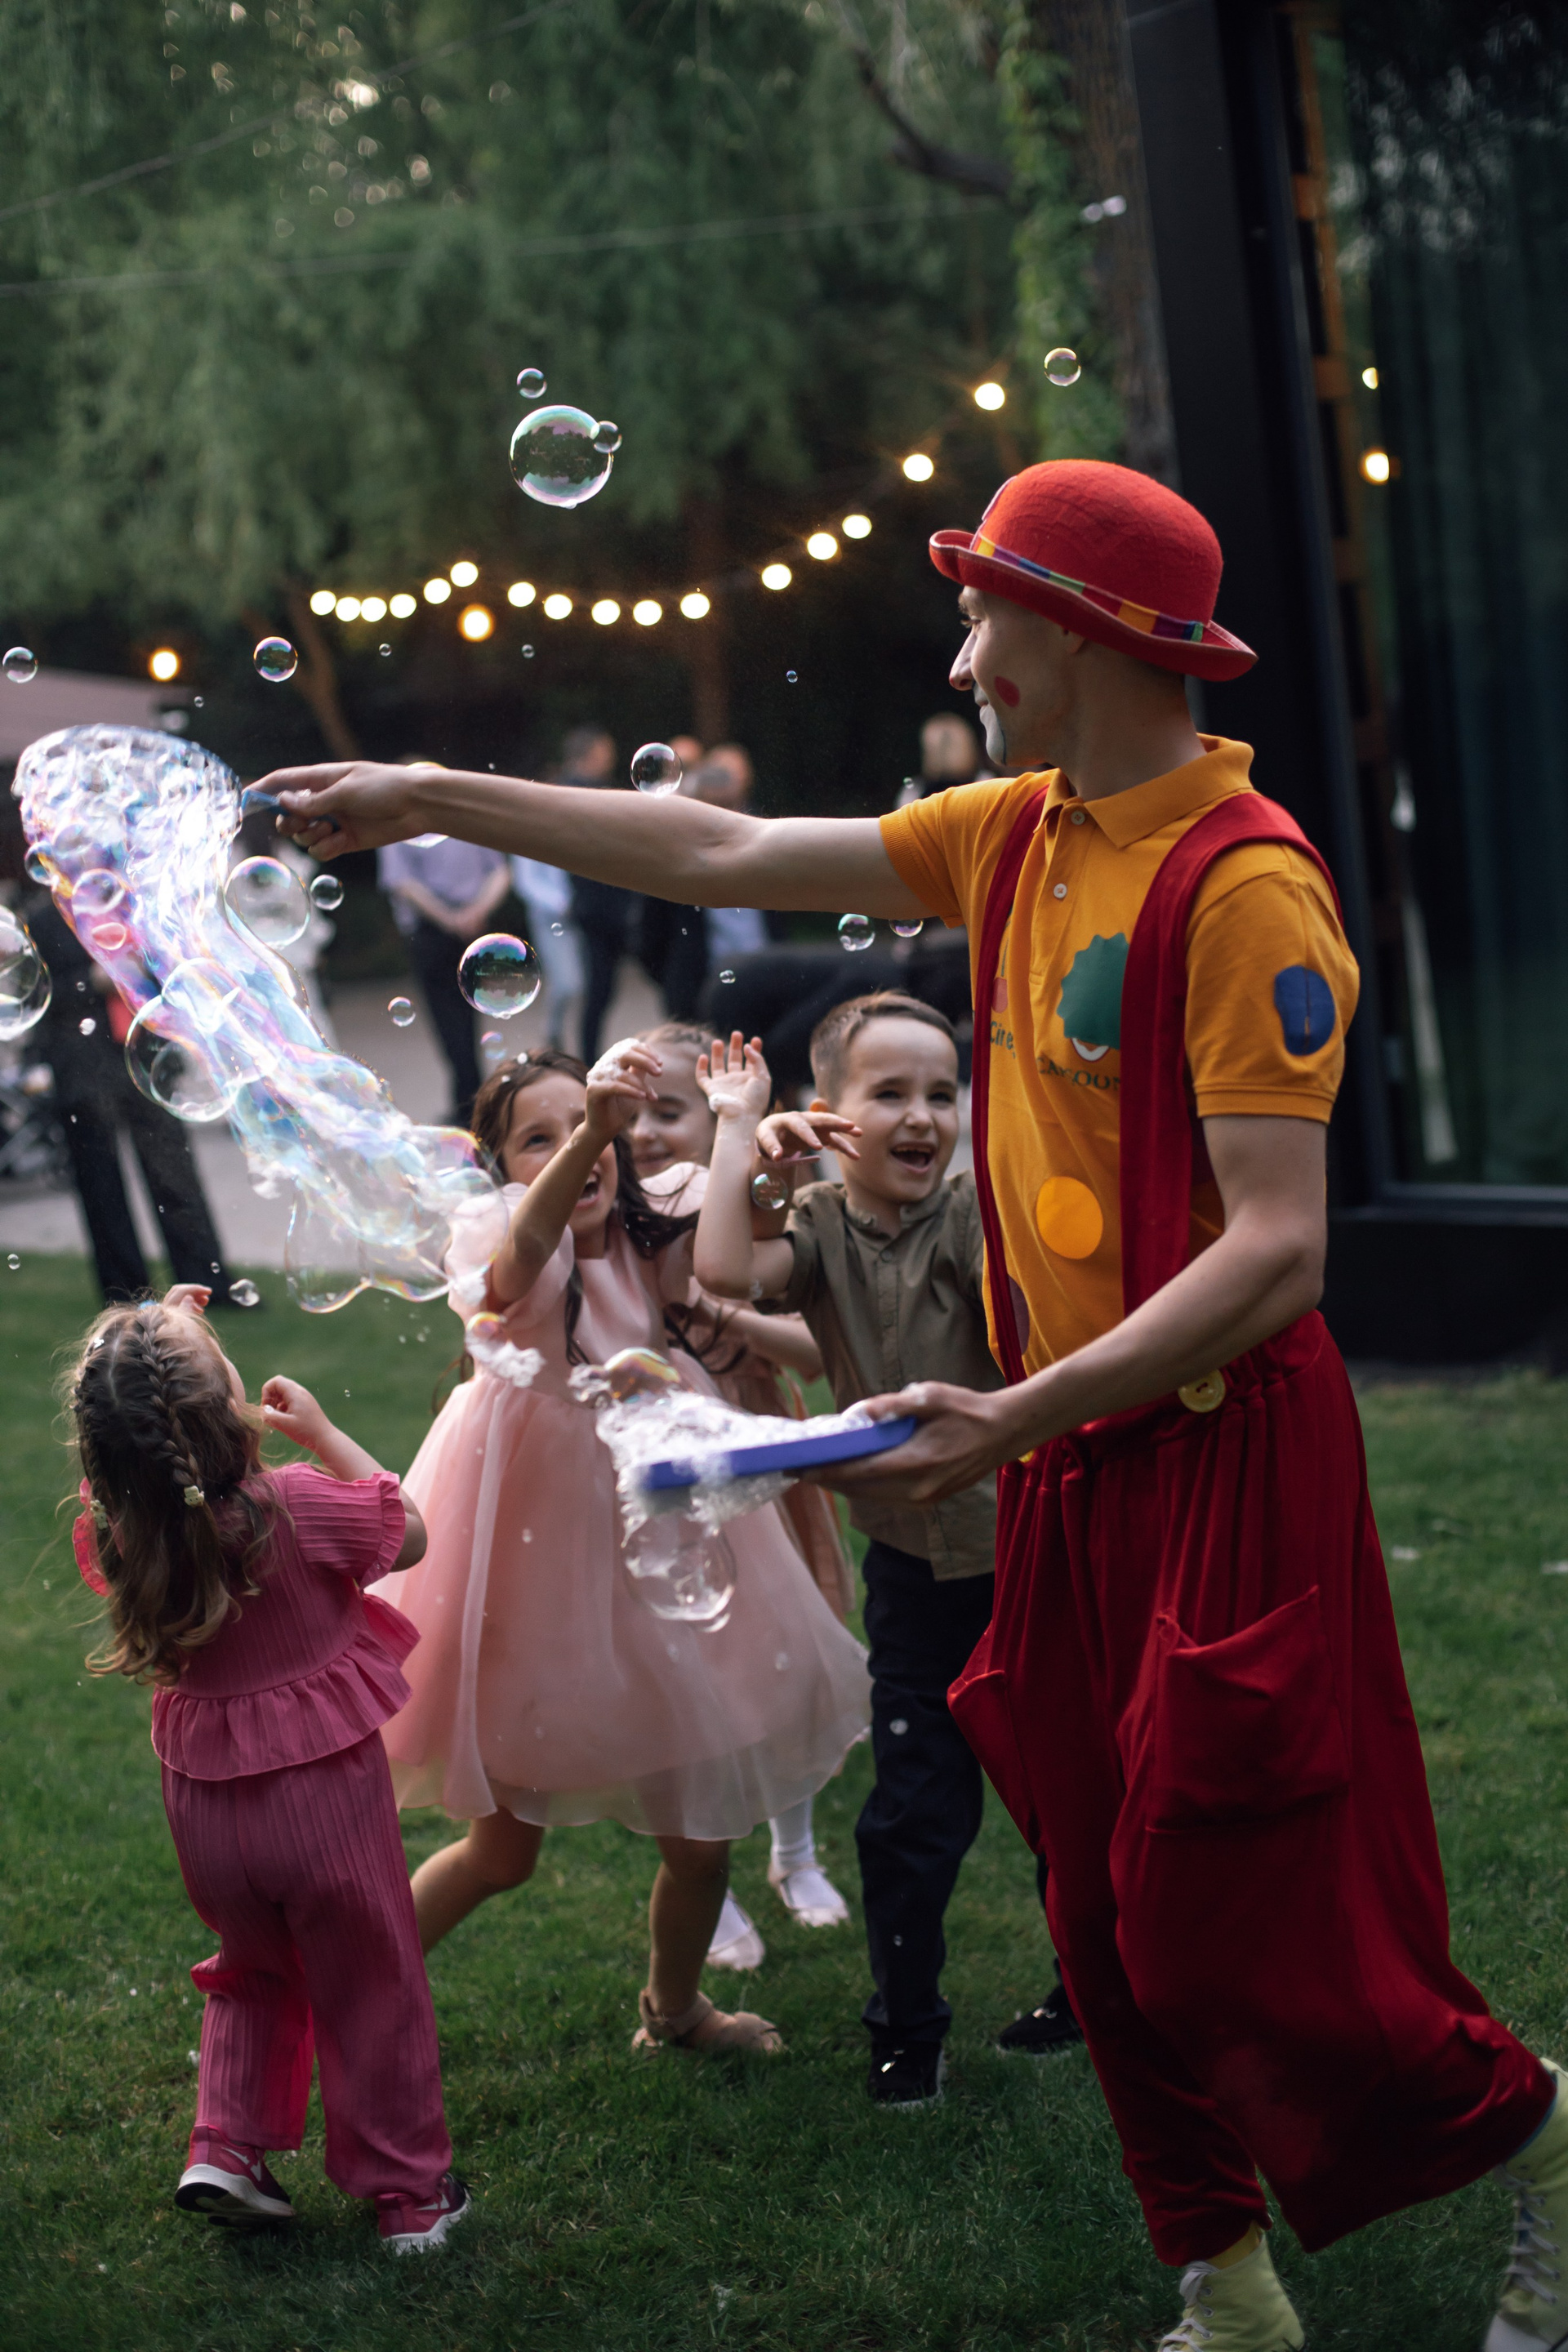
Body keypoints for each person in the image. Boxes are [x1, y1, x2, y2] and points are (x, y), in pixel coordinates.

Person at [262, 456, 1568, 2350]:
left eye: (984, 621)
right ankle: (1222, 2286)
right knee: (1096, 1897)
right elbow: (720, 851)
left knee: (1224, 1896)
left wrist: (1021, 1417)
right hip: (1074, 1452)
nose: (961, 658)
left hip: (1225, 1454)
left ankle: (1532, 2132)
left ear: (1087, 638)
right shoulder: (1015, 833)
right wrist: (426, 792)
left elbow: (1282, 1251)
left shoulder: (1246, 890)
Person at [369, 1045, 871, 2056]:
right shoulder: (505, 1234)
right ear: (505, 1168)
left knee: (703, 1836)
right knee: (501, 1854)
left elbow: (745, 1234)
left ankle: (675, 2012)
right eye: (539, 1137)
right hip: (531, 1553)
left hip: (666, 1531)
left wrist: (755, 1145)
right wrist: (591, 1133)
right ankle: (351, 1991)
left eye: (592, 1122)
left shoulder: (657, 1216)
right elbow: (520, 1260)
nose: (579, 1145)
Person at [692, 1002, 1080, 2103]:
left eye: (942, 1094)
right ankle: (907, 2032)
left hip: (1029, 1560)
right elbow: (721, 1266)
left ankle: (1092, 1994)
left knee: (1064, 1798)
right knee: (910, 1814)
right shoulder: (816, 1224)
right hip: (909, 1577)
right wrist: (744, 1136)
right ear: (832, 1115)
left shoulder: (969, 1215)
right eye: (891, 1094)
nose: (923, 1117)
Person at [66, 1284, 467, 2252]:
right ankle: (411, 2196)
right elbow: (410, 1529)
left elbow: (141, 1450)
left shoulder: (127, 1531)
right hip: (322, 1809)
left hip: (208, 1815)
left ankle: (228, 2149)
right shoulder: (295, 1505)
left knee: (249, 1968)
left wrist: (154, 1354)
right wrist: (323, 1435)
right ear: (224, 1411)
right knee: (371, 1979)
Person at [622, 1018, 856, 1970]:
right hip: (664, 1477)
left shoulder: (747, 1200)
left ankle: (795, 1853)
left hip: (753, 1447)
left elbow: (806, 1327)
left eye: (672, 1112)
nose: (646, 1134)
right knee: (684, 1676)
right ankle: (702, 1878)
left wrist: (721, 1302)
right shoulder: (611, 1217)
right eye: (634, 1115)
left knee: (784, 1658)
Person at [26, 890, 237, 1306]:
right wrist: (92, 980)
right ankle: (124, 1296)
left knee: (175, 1175)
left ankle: (207, 1284)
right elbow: (37, 995)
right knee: (101, 1186)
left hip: (145, 1056)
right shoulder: (46, 919)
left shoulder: (134, 905)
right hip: (85, 1067)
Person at [376, 786, 510, 1125]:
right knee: (471, 1017)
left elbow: (402, 883)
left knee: (448, 1021)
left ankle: (470, 1106)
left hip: (431, 932)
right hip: (475, 929)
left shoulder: (398, 825)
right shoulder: (465, 818)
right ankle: (476, 1100)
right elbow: (500, 873)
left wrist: (450, 919)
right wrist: (476, 911)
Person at [555, 725, 636, 1065]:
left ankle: (589, 1057)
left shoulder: (586, 790)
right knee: (598, 989)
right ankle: (588, 1060)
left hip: (604, 909)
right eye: (605, 750)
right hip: (597, 910)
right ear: (589, 754)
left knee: (602, 989)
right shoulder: (575, 792)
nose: (611, 757)